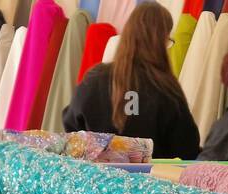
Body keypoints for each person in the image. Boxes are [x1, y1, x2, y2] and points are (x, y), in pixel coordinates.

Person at [62, 3, 200, 159]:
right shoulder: (166, 89)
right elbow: (187, 148)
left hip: (96, 179)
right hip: (150, 180)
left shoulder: (94, 79)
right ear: (161, 41)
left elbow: (71, 129)